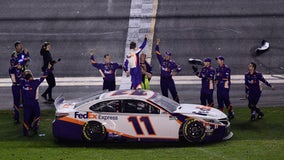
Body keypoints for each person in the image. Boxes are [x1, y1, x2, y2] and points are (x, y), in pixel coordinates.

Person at [20, 64, 51, 136]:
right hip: (33, 103)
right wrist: (48, 69)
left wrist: (22, 69)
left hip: (26, 103)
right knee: (37, 115)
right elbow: (43, 77)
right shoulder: (34, 83)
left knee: (26, 117)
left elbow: (20, 77)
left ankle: (25, 131)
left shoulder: (22, 82)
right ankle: (35, 128)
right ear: (30, 77)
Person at [155, 38, 181, 103]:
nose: (166, 56)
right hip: (163, 80)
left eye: (168, 56)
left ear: (170, 57)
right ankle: (166, 107)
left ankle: (177, 104)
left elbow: (179, 67)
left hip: (169, 79)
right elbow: (157, 52)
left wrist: (176, 71)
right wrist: (157, 44)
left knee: (174, 92)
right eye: (166, 55)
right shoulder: (162, 60)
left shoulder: (172, 63)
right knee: (164, 95)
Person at [215, 56, 234, 120]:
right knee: (219, 101)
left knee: (226, 101)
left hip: (225, 87)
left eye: (218, 60)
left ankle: (231, 112)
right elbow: (217, 78)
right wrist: (216, 81)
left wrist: (218, 79)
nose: (217, 61)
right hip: (219, 87)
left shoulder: (226, 68)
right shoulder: (217, 69)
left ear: (222, 61)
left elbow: (225, 77)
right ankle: (221, 115)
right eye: (217, 60)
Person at [8, 59, 23, 124]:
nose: (20, 65)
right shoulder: (12, 69)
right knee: (16, 102)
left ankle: (19, 116)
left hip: (20, 86)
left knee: (20, 102)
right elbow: (15, 79)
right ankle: (16, 118)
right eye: (19, 63)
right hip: (16, 86)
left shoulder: (18, 69)